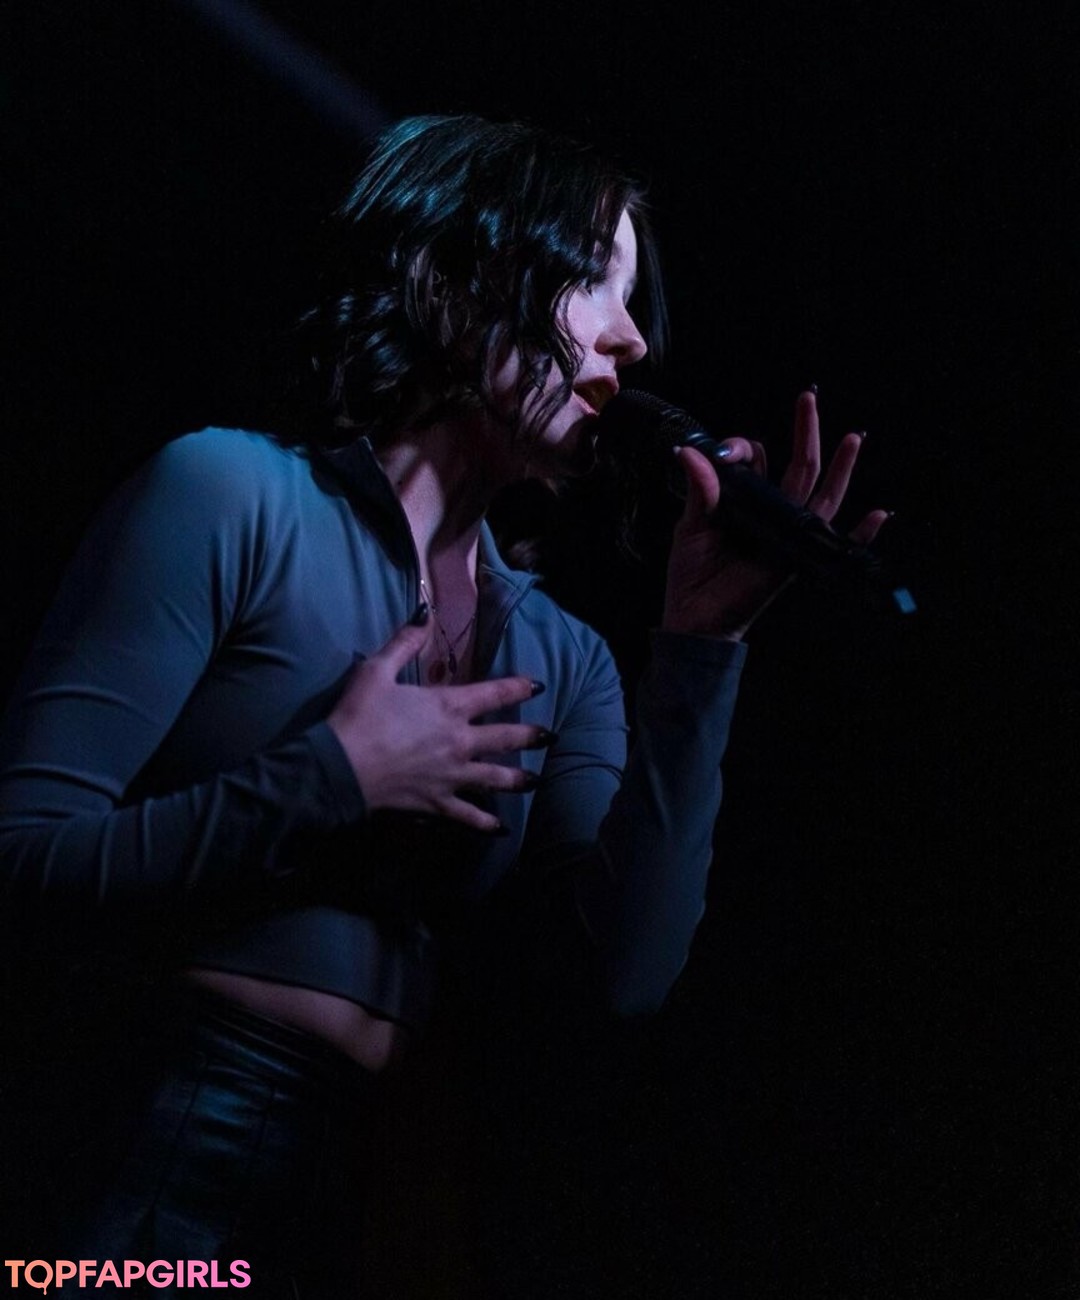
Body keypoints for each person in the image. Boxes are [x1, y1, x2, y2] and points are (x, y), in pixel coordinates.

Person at [0, 114, 885, 1294]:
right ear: (458, 278)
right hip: (138, 1141)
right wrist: (331, 779)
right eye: (593, 280)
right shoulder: (231, 495)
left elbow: (626, 978)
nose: (630, 338)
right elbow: (24, 857)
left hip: (353, 1195)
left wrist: (700, 649)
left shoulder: (563, 656)